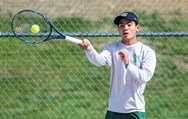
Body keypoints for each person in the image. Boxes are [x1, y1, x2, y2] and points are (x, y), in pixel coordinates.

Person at [79, 11, 156, 119]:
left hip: (134, 110)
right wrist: (89, 49)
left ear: (137, 27)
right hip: (113, 110)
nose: (125, 28)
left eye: (129, 24)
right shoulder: (112, 48)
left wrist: (127, 64)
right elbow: (98, 60)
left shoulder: (147, 52)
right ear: (118, 29)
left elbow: (145, 77)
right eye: (121, 25)